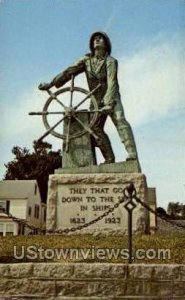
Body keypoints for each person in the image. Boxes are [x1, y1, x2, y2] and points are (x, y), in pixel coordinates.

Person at [39, 31, 138, 162]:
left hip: (112, 97)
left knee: (120, 121)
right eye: (95, 39)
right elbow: (69, 71)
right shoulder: (86, 61)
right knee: (94, 128)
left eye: (100, 38)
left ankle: (132, 154)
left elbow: (112, 81)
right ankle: (109, 158)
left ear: (106, 44)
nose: (97, 40)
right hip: (95, 100)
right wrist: (51, 84)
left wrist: (108, 103)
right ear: (91, 44)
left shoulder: (111, 61)